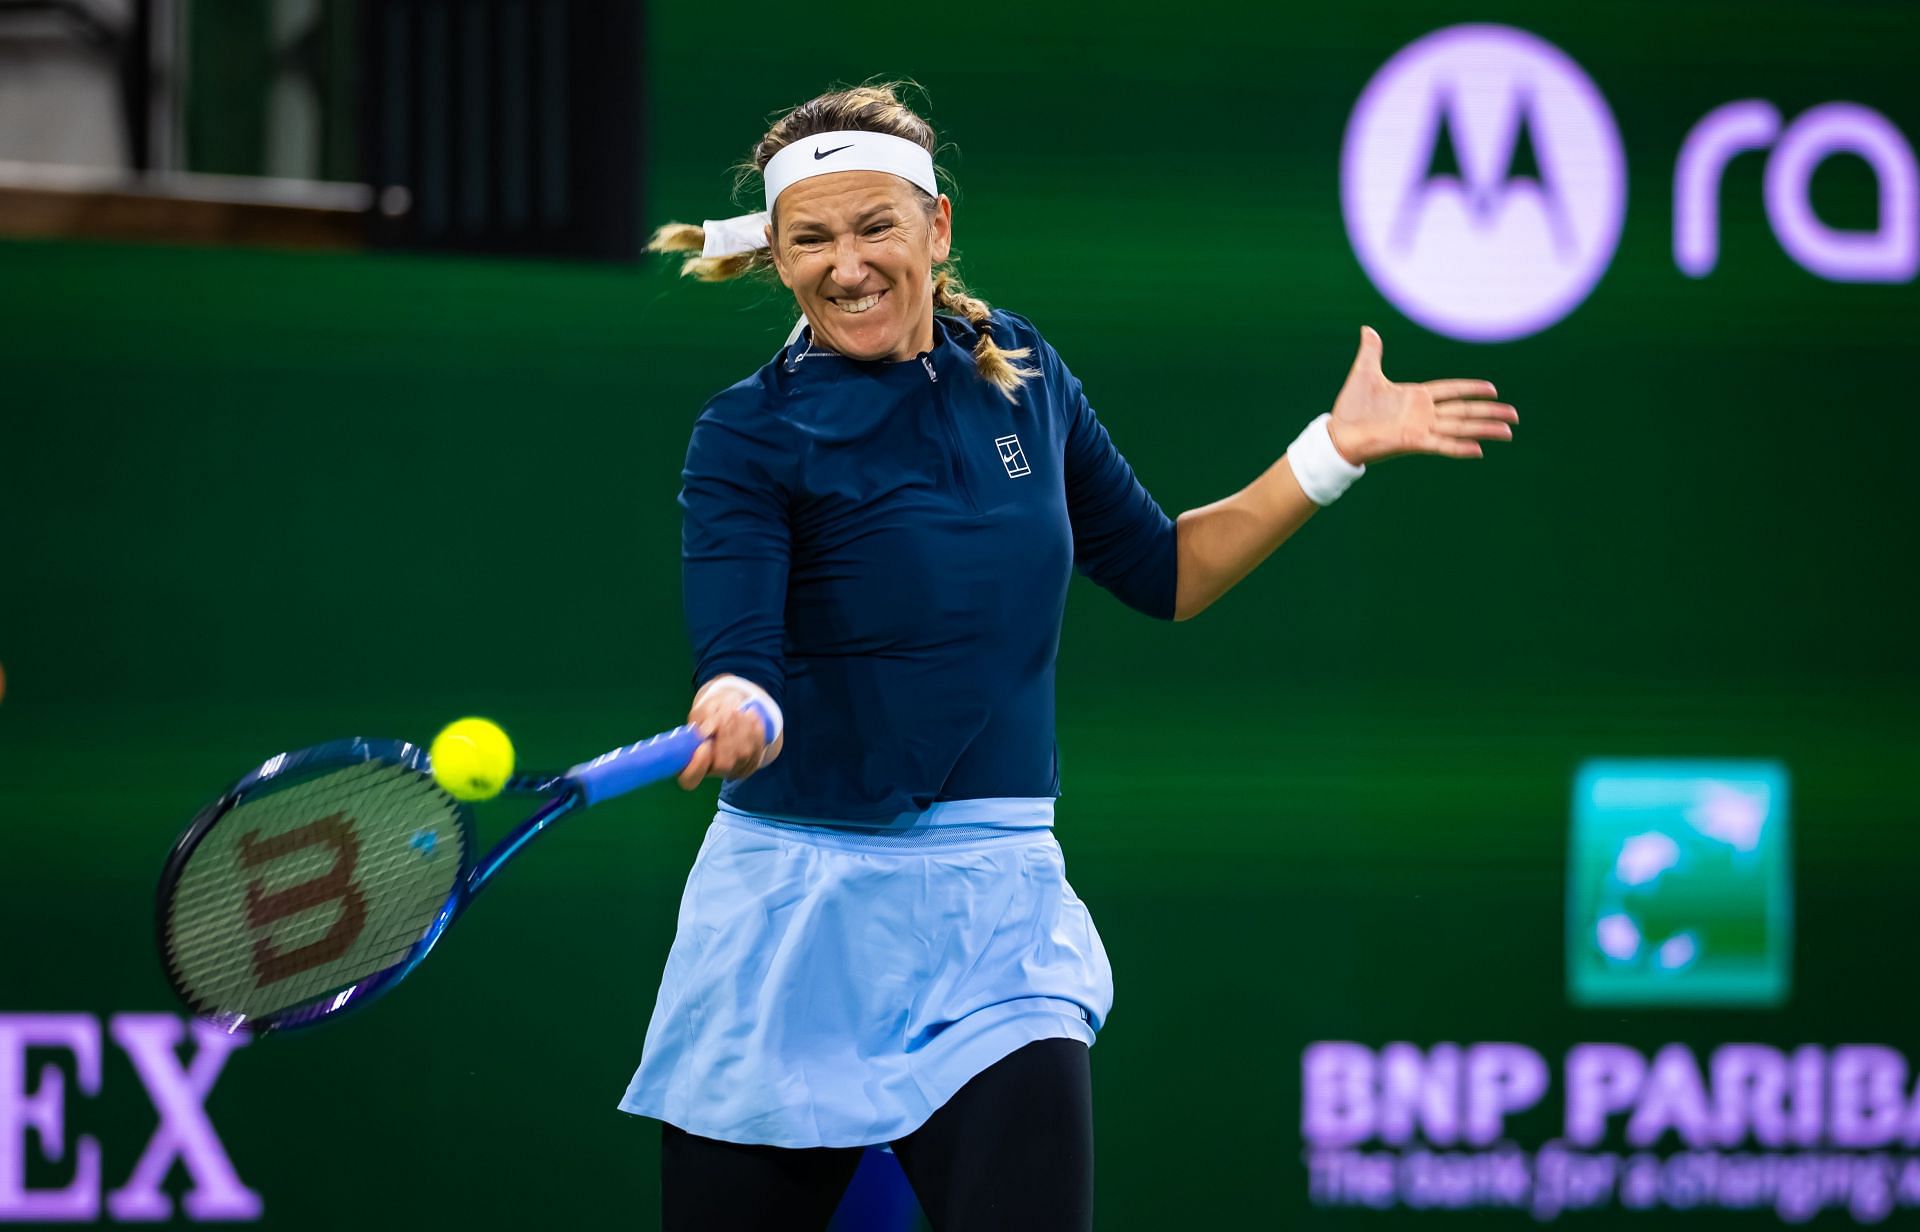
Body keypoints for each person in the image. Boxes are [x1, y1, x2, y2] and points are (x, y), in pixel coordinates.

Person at [624, 83, 1516, 1231]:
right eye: (812, 239)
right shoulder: (746, 432)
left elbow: (1167, 570)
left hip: (996, 922)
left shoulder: (1027, 377)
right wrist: (737, 696)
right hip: (797, 920)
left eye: (874, 227)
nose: (847, 264)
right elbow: (738, 645)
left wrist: (1331, 450)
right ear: (782, 260)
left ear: (936, 228)